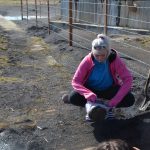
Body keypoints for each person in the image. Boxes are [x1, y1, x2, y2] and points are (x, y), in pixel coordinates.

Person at [62, 34, 135, 122]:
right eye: (97, 55)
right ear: (93, 52)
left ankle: (108, 108)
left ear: (108, 52)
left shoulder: (114, 59)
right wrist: (87, 94)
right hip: (92, 91)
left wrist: (116, 100)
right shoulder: (87, 60)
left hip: (108, 89)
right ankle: (92, 108)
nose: (100, 58)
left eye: (103, 55)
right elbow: (76, 81)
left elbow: (128, 79)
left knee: (130, 99)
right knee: (73, 98)